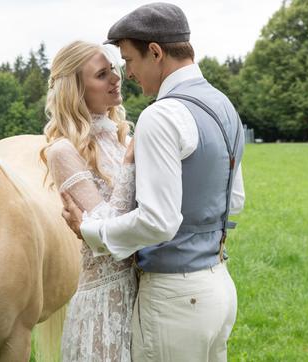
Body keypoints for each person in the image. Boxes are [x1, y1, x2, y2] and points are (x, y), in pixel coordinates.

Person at [61, 3, 246, 361]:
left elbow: (159, 222)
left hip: (174, 298)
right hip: (219, 287)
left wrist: (91, 232)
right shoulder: (223, 106)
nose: (126, 73)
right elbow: (233, 201)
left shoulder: (161, 115)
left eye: (129, 60)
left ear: (156, 53)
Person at [41, 40, 137, 361]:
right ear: (76, 90)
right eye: (101, 75)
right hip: (106, 299)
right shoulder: (63, 151)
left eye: (113, 70)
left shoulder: (123, 137)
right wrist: (130, 163)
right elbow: (105, 227)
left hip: (145, 291)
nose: (115, 79)